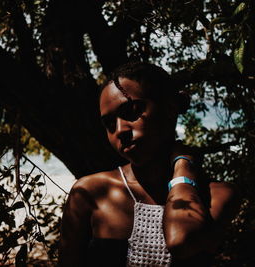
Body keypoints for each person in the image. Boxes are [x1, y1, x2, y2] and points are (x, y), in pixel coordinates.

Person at [59, 62, 240, 266]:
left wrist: (183, 166)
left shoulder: (216, 195)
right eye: (109, 124)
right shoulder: (91, 192)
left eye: (131, 111)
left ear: (170, 108)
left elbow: (181, 240)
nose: (120, 130)